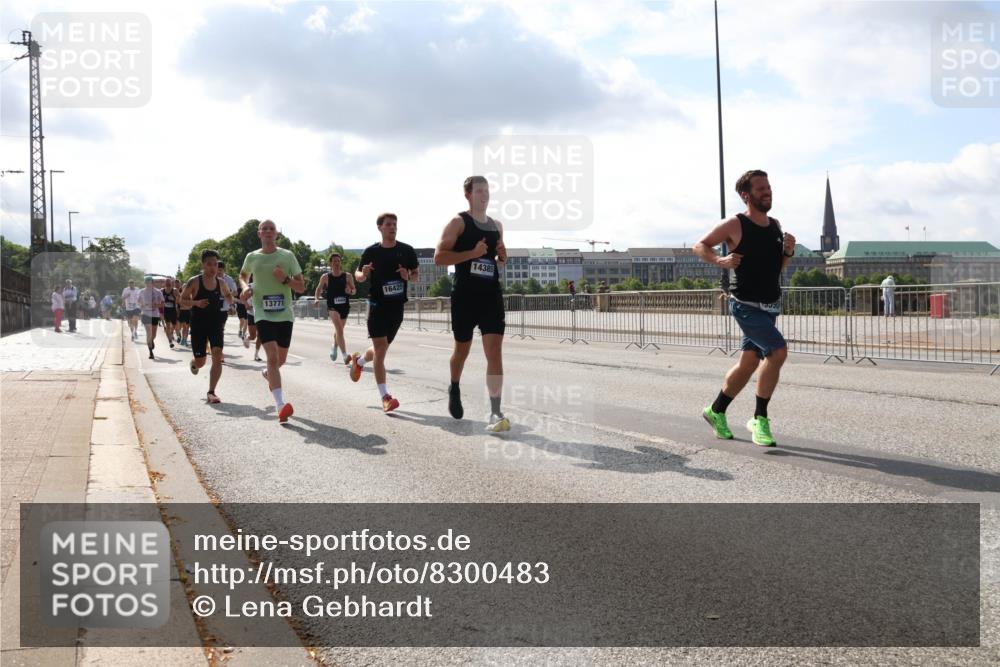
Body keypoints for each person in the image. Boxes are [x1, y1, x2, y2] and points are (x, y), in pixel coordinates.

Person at [694, 169, 796, 447]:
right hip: (746, 306)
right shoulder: (735, 224)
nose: (767, 192)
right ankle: (760, 419)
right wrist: (720, 261)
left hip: (770, 307)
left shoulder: (775, 226)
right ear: (745, 195)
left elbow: (778, 268)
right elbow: (700, 246)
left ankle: (716, 411)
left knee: (749, 362)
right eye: (761, 188)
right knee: (777, 352)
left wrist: (787, 252)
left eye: (768, 187)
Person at [434, 176, 509, 432]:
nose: (484, 195)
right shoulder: (458, 222)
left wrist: (502, 256)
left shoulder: (496, 225)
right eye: (479, 191)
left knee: (494, 352)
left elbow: (498, 260)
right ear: (467, 195)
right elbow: (439, 257)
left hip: (491, 296)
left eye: (487, 191)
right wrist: (472, 254)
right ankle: (454, 386)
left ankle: (495, 412)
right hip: (465, 297)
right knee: (461, 352)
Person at [350, 213, 419, 413]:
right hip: (377, 306)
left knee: (380, 348)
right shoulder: (371, 251)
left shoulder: (406, 250)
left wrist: (408, 275)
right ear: (380, 227)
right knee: (380, 350)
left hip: (397, 308)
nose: (393, 227)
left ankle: (359, 362)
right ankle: (385, 397)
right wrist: (363, 274)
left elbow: (416, 275)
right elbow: (358, 274)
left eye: (395, 224)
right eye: (388, 224)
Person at [239, 219, 305, 423]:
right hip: (263, 313)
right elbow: (243, 275)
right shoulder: (252, 257)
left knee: (280, 360)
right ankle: (280, 405)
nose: (268, 231)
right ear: (259, 234)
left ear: (276, 234)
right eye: (264, 229)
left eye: (271, 229)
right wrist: (245, 287)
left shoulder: (287, 256)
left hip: (284, 314)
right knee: (273, 356)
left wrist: (285, 279)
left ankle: (269, 373)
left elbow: (301, 287)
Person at [181, 250, 234, 404]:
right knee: (201, 362)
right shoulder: (194, 282)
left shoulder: (221, 282)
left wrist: (231, 305)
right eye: (209, 264)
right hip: (198, 324)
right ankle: (194, 362)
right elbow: (182, 301)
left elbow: (228, 295)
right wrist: (196, 303)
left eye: (215, 264)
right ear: (203, 265)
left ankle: (211, 392)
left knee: (217, 354)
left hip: (216, 323)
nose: (213, 268)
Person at [315, 252, 357, 364]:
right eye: (334, 261)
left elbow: (354, 290)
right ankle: (345, 355)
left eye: (338, 261)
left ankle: (334, 345)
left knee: (339, 330)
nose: (337, 263)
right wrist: (316, 298)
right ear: (330, 263)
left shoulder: (347, 276)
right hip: (332, 307)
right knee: (339, 329)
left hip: (344, 306)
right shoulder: (325, 277)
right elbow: (318, 288)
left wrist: (350, 291)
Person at [138, 276, 165, 359]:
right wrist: (141, 304)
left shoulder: (158, 292)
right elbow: (138, 301)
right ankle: (150, 352)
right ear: (145, 283)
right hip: (145, 314)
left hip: (155, 314)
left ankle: (151, 340)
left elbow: (163, 303)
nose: (148, 284)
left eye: (150, 282)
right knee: (149, 333)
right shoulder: (141, 291)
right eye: (147, 282)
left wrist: (156, 305)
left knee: (153, 334)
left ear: (153, 283)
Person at [160, 276, 180, 348]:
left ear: (171, 283)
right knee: (167, 326)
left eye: (169, 283)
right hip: (166, 310)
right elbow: (159, 300)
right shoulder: (162, 291)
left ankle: (171, 334)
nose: (168, 284)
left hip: (173, 310)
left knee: (174, 325)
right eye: (166, 283)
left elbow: (179, 300)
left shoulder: (175, 290)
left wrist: (174, 298)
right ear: (164, 284)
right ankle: (170, 341)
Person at [175, 278, 191, 345]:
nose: (185, 289)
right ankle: (181, 337)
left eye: (186, 288)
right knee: (181, 327)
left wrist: (186, 305)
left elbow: (191, 305)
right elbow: (178, 303)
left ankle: (185, 340)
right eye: (184, 287)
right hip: (181, 312)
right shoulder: (180, 295)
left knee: (186, 327)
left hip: (188, 312)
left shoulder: (190, 295)